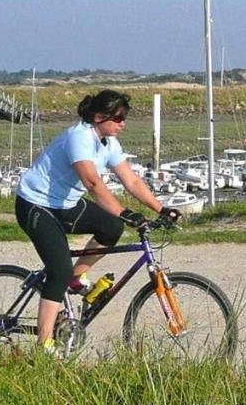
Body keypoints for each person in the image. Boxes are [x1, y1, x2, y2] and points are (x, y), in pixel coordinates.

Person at [14, 89, 181, 351]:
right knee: (58, 270)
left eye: (125, 117)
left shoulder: (109, 143)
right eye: (119, 117)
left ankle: (74, 278)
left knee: (111, 227)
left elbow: (132, 180)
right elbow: (92, 183)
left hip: (66, 204)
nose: (123, 123)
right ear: (99, 117)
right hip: (36, 204)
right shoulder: (79, 137)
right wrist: (124, 212)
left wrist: (161, 208)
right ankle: (44, 346)